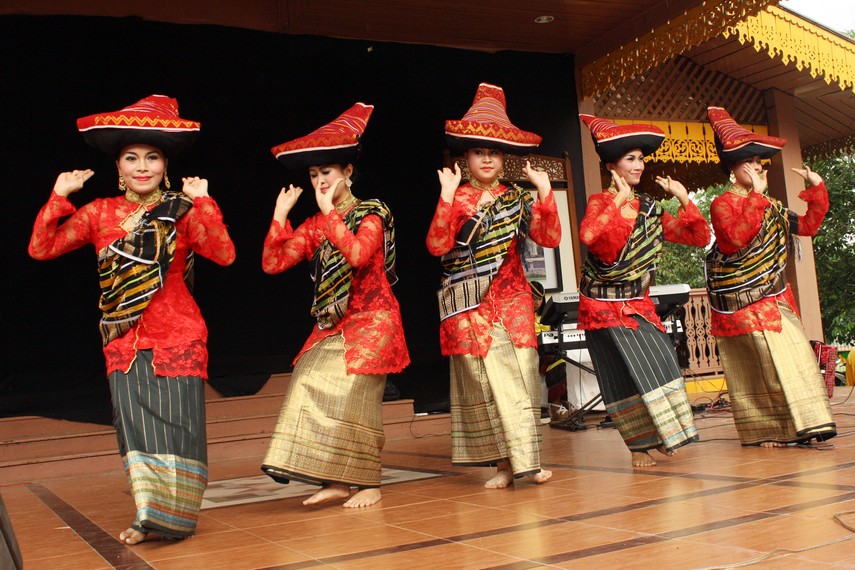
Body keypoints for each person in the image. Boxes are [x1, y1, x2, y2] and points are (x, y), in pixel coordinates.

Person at [28, 95, 236, 544]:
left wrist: (205, 204)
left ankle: (176, 519)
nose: (142, 167)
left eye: (152, 158)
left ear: (165, 164)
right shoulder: (100, 213)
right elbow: (42, 248)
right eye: (132, 158)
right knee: (137, 431)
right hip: (122, 337)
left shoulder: (181, 208)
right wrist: (58, 197)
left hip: (178, 333)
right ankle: (148, 517)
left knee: (180, 430)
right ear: (118, 167)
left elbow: (223, 253)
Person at [261, 102, 409, 508]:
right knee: (307, 379)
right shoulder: (314, 224)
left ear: (347, 172)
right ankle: (337, 479)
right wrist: (280, 215)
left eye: (327, 172)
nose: (320, 180)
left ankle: (369, 483)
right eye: (313, 174)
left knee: (354, 393)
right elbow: (273, 263)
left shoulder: (372, 212)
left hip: (375, 320)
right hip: (335, 322)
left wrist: (329, 216)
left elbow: (360, 255)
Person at [427, 83, 560, 488]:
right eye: (478, 151)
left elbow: (549, 238)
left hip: (514, 299)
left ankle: (529, 462)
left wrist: (544, 190)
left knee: (519, 377)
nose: (486, 157)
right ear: (465, 157)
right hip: (469, 303)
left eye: (494, 151)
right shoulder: (457, 196)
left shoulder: (516, 198)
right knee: (484, 383)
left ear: (504, 158)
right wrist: (447, 197)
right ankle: (503, 465)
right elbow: (436, 245)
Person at [577, 114, 709, 467]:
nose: (639, 165)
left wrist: (683, 199)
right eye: (630, 159)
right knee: (622, 374)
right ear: (611, 166)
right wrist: (618, 201)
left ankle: (663, 436)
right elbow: (590, 237)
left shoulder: (649, 207)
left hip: (639, 302)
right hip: (603, 304)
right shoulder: (599, 202)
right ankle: (639, 448)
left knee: (661, 362)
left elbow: (698, 237)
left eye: (641, 158)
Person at [704, 106, 836, 447]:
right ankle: (766, 431)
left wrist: (817, 187)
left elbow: (807, 226)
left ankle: (807, 422)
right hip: (741, 300)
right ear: (734, 170)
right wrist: (758, 197)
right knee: (761, 364)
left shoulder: (771, 205)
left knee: (795, 354)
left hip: (773, 296)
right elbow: (735, 240)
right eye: (751, 164)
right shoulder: (722, 203)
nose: (758, 168)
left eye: (760, 164)